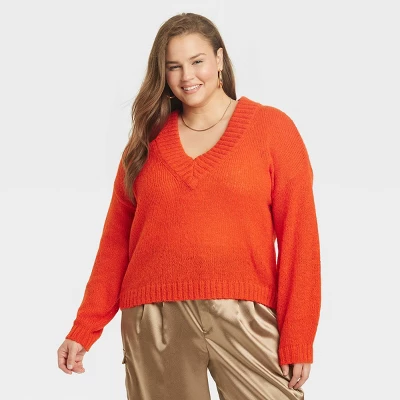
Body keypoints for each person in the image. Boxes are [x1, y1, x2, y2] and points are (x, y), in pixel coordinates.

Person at [57, 12, 321, 400]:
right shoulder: (144, 144)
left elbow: (300, 239)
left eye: (197, 61)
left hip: (245, 313)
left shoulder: (271, 129)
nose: (187, 76)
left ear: (219, 59)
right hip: (154, 316)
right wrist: (85, 328)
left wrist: (298, 335)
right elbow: (115, 244)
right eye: (173, 66)